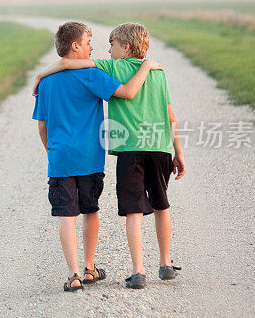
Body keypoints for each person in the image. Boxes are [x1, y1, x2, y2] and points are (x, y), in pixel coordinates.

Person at [33, 22, 186, 289]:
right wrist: (178, 151)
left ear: (125, 47)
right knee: (142, 207)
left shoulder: (64, 79)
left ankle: (98, 273)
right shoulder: (142, 74)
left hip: (90, 155)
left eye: (108, 45)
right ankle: (148, 263)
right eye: (90, 43)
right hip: (126, 152)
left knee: (90, 214)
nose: (99, 49)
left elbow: (44, 120)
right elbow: (151, 105)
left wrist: (39, 77)